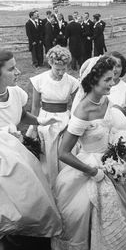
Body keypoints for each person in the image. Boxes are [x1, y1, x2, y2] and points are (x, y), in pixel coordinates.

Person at [49, 56, 126, 250]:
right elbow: (63, 153)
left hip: (109, 162)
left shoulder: (105, 101)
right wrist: (92, 171)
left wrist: (118, 157)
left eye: (113, 78)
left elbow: (110, 130)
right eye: (108, 79)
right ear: (93, 81)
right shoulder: (83, 110)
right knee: (83, 214)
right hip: (88, 167)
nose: (113, 83)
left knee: (118, 211)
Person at [0, 48, 62, 250]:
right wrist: (2, 133)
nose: (18, 72)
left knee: (28, 196)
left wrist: (40, 122)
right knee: (0, 200)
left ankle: (17, 236)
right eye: (11, 69)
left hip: (16, 152)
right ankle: (0, 241)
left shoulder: (15, 93)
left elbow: (21, 114)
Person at [27, 45, 79, 190]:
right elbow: (35, 107)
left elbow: (76, 108)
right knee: (47, 157)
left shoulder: (72, 82)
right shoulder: (39, 80)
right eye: (58, 69)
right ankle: (49, 186)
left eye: (64, 69)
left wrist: (72, 125)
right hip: (45, 120)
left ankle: (64, 188)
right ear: (50, 63)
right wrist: (35, 128)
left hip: (64, 120)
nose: (61, 72)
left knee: (64, 157)